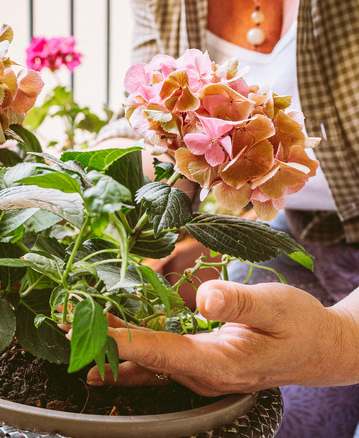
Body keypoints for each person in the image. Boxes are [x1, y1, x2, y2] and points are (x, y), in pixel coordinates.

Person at [90, 0, 359, 436]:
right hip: (305, 231)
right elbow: (141, 124)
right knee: (268, 417)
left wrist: (339, 338)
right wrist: (85, 182)